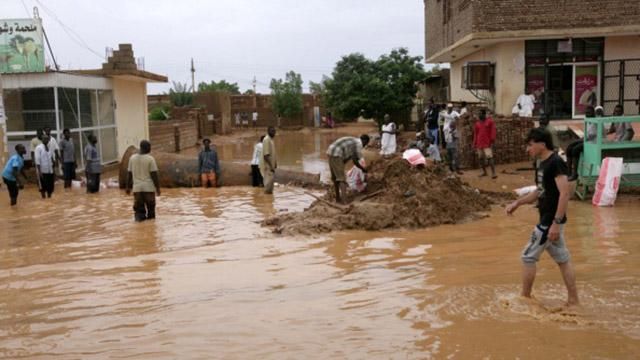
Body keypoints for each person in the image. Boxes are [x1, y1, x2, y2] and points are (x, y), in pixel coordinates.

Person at [506, 127, 579, 308]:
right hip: (549, 220)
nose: (527, 149)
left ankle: (525, 298)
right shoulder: (541, 164)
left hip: (549, 221)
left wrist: (555, 223)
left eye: (530, 145)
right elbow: (540, 192)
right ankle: (573, 300)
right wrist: (518, 203)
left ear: (542, 144)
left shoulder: (556, 162)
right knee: (563, 260)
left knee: (527, 257)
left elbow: (564, 194)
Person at [326, 135, 370, 204]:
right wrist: (363, 169)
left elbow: (350, 156)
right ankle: (345, 201)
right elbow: (355, 160)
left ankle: (338, 199)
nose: (364, 146)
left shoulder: (354, 141)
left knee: (335, 178)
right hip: (337, 153)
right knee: (341, 179)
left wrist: (342, 165)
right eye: (366, 144)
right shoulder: (359, 144)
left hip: (330, 151)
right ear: (365, 141)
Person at [126, 140, 161, 222]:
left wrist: (128, 187)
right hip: (148, 189)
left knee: (138, 213)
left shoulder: (132, 158)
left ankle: (140, 230)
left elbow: (129, 174)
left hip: (137, 190)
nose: (150, 149)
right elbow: (154, 175)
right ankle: (150, 231)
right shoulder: (150, 159)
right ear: (146, 148)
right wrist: (158, 188)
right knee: (151, 213)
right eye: (149, 147)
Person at [566, 106, 597, 181]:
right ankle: (568, 172)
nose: (587, 114)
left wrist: (578, 140)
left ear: (593, 113)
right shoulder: (588, 121)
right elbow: (586, 136)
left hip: (593, 144)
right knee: (569, 148)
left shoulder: (595, 122)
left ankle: (575, 174)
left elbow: (590, 137)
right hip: (588, 142)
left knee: (575, 149)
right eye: (586, 113)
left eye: (589, 113)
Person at [473, 109, 497, 179]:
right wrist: (474, 143)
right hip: (479, 143)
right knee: (480, 158)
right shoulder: (477, 123)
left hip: (487, 143)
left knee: (490, 157)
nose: (479, 115)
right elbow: (475, 134)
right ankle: (484, 172)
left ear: (484, 114)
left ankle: (493, 173)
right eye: (478, 114)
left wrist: (492, 140)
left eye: (480, 114)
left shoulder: (490, 122)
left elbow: (493, 131)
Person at [259, 126, 278, 194]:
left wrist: (275, 163)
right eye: (272, 131)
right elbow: (266, 155)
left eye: (274, 131)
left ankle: (269, 202)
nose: (274, 133)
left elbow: (272, 153)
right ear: (268, 131)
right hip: (267, 166)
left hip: (270, 166)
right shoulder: (266, 140)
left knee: (270, 188)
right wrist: (271, 166)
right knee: (268, 188)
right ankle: (266, 202)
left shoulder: (271, 140)